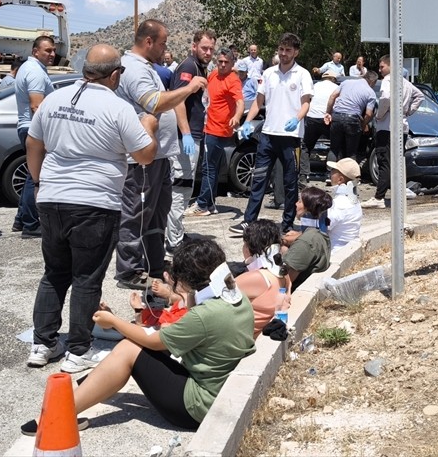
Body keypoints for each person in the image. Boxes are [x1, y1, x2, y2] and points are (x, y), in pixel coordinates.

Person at [20, 238, 255, 436]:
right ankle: (94, 386)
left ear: (186, 281)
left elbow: (155, 341)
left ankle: (59, 417)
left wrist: (114, 322)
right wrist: (176, 295)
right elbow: (189, 311)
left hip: (197, 407)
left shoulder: (204, 316)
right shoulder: (235, 297)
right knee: (134, 346)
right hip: (222, 392)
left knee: (129, 348)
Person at [24, 44, 158, 372]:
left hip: (53, 199)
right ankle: (78, 351)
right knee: (86, 277)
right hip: (95, 202)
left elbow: (32, 143)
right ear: (115, 75)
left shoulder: (55, 97)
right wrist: (150, 127)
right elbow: (145, 155)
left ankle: (43, 344)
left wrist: (40, 182)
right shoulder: (118, 107)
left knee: (54, 273)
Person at [115, 19, 206, 290]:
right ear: (148, 42)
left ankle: (154, 264)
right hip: (141, 158)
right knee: (136, 214)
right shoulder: (132, 68)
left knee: (157, 213)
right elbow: (153, 102)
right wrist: (189, 89)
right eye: (163, 43)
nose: (166, 48)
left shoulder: (149, 68)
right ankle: (129, 271)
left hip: (159, 156)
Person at [232, 33, 313, 234]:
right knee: (258, 179)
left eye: (288, 50)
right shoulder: (268, 73)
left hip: (291, 138)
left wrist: (297, 118)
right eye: (281, 49)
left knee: (290, 183)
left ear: (296, 52)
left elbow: (306, 103)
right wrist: (248, 122)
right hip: (267, 135)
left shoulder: (302, 74)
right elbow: (259, 102)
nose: (284, 54)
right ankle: (248, 221)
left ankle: (287, 224)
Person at [167, 29, 216, 249]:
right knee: (181, 188)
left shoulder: (200, 68)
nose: (208, 52)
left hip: (195, 135)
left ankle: (175, 233)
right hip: (184, 138)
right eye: (204, 48)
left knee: (184, 189)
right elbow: (178, 100)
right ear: (193, 46)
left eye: (211, 49)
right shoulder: (188, 66)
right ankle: (174, 240)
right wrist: (186, 133)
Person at [360, 56, 423, 209]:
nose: (380, 70)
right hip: (401, 127)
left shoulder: (388, 81)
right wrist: (408, 111)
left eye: (382, 67)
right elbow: (419, 96)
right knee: (397, 162)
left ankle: (379, 197)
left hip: (387, 127)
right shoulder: (405, 82)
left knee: (384, 161)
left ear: (391, 66)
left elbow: (386, 97)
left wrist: (380, 114)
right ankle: (400, 192)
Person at [190, 48, 244, 216]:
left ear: (232, 63)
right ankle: (211, 203)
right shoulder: (213, 74)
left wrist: (236, 116)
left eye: (226, 62)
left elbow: (240, 102)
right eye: (220, 61)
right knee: (211, 167)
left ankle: (202, 204)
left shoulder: (233, 80)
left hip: (218, 129)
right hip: (209, 126)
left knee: (208, 168)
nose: (222, 64)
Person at [13, 36, 56, 237]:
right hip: (34, 129)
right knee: (35, 178)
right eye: (47, 50)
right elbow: (36, 106)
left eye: (53, 50)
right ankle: (31, 224)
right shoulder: (35, 72)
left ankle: (21, 219)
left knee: (32, 175)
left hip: (27, 127)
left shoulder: (29, 69)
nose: (52, 54)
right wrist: (47, 134)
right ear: (35, 51)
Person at [235, 220, 284, 338]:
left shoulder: (255, 278)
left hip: (244, 338)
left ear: (248, 247)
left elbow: (210, 301)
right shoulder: (282, 272)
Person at [280, 186, 333, 291]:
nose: (296, 204)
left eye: (299, 202)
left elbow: (286, 282)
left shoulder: (305, 242)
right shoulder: (319, 235)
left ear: (308, 208)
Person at [301, 69, 339, 182]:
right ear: (333, 79)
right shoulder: (336, 88)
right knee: (334, 146)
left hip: (312, 117)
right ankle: (330, 174)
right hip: (327, 118)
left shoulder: (315, 85)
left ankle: (304, 174)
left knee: (306, 146)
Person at [325, 157, 363, 253]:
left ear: (340, 179)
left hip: (335, 252)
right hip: (348, 250)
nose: (331, 173)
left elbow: (322, 227)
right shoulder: (354, 201)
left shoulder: (339, 204)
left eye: (333, 171)